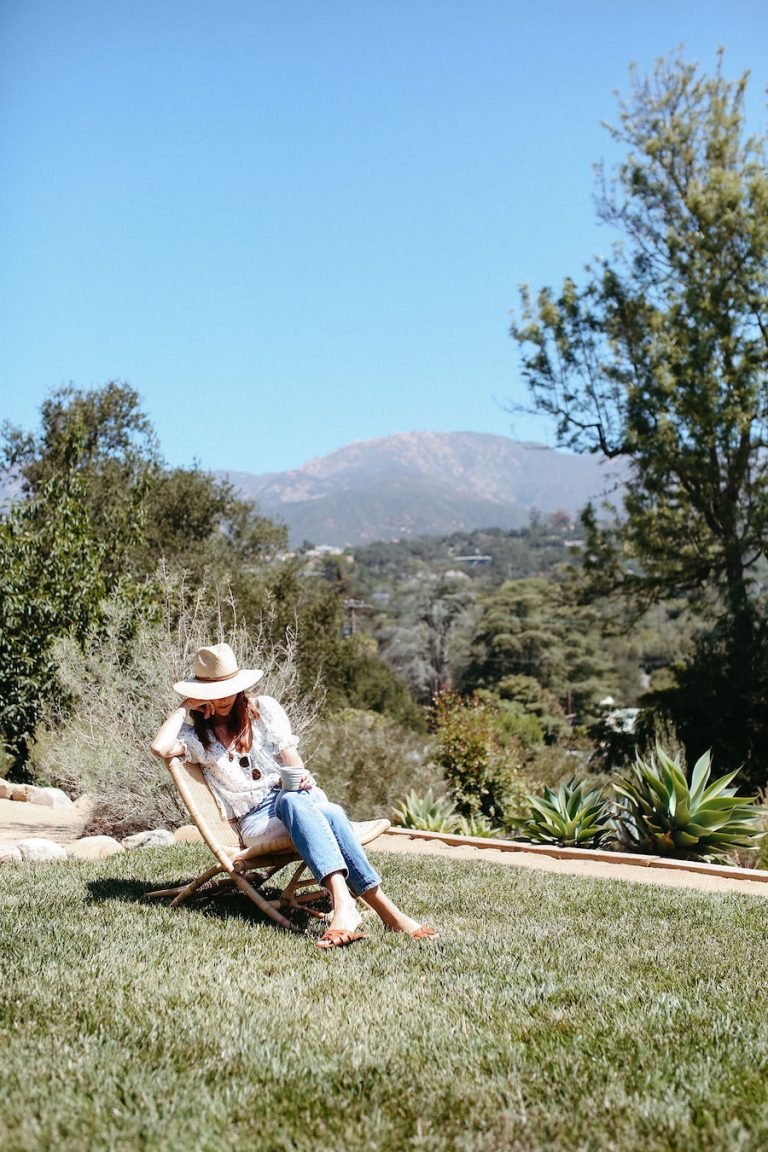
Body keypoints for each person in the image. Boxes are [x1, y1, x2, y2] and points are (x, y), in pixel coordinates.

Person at [150, 643, 438, 949]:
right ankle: (377, 910)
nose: (221, 698)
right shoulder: (198, 739)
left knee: (314, 805)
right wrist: (184, 706)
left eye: (227, 689)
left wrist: (301, 777)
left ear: (240, 687)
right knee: (321, 810)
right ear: (200, 696)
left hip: (295, 801)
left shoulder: (263, 712)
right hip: (255, 823)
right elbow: (159, 748)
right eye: (212, 692)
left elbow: (293, 763)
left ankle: (357, 909)